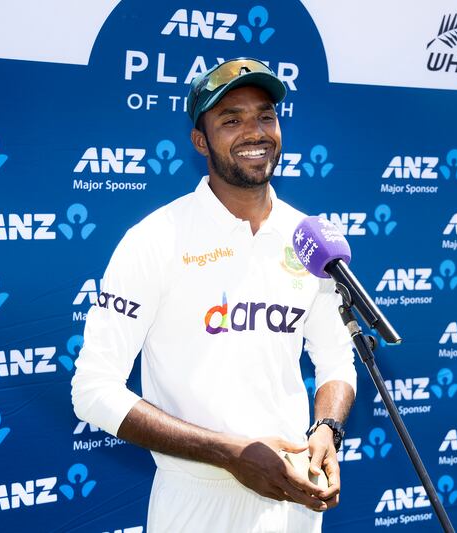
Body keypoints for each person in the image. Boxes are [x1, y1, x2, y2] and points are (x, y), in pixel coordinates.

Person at [71, 58, 357, 533]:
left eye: (265, 115)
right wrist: (230, 454)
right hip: (197, 500)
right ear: (200, 141)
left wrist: (327, 430)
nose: (255, 131)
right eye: (231, 119)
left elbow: (336, 361)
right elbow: (92, 392)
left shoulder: (308, 238)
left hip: (294, 495)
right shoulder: (155, 238)